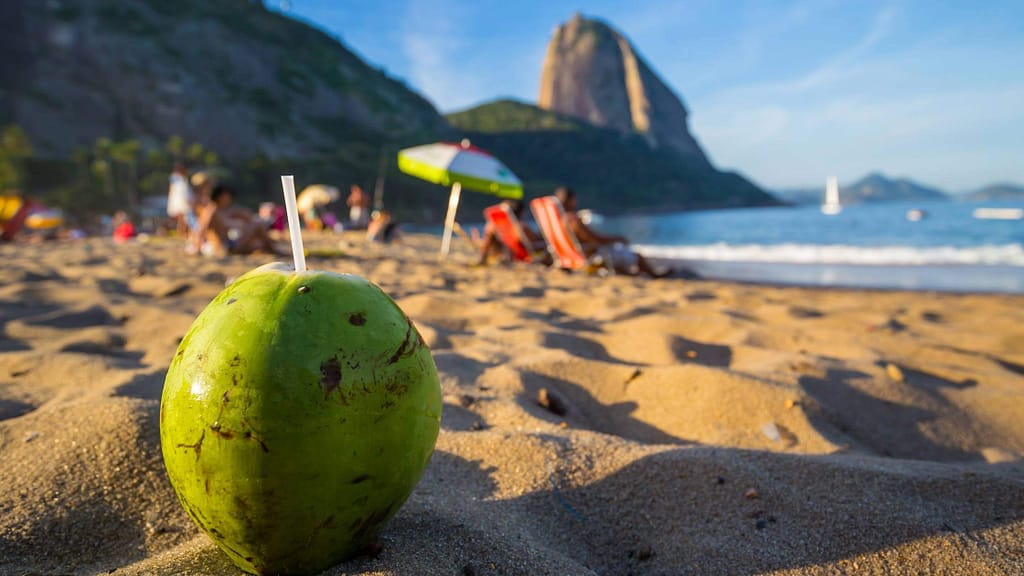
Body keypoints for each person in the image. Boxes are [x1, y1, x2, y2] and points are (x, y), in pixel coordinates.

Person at [554, 186, 669, 277]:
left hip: (576, 255)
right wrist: (617, 238)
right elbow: (596, 240)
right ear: (571, 201)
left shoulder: (558, 222)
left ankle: (628, 273)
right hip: (591, 256)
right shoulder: (573, 221)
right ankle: (655, 275)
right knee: (637, 256)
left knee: (620, 253)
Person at [190, 184, 280, 256]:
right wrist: (197, 247)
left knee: (258, 245)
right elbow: (202, 228)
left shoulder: (222, 210)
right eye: (228, 196)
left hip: (228, 244)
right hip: (223, 247)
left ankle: (273, 249)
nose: (230, 198)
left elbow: (245, 215)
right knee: (257, 225)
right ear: (222, 196)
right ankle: (275, 251)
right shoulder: (212, 210)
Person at [475, 199, 549, 265]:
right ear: (520, 213)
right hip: (525, 256)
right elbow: (535, 242)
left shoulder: (499, 227)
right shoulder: (521, 227)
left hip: (511, 254)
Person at [167, 163, 195, 237]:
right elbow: (176, 189)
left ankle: (183, 232)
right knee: (182, 217)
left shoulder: (182, 177)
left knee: (184, 217)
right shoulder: (176, 177)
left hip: (182, 198)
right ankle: (182, 232)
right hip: (180, 199)